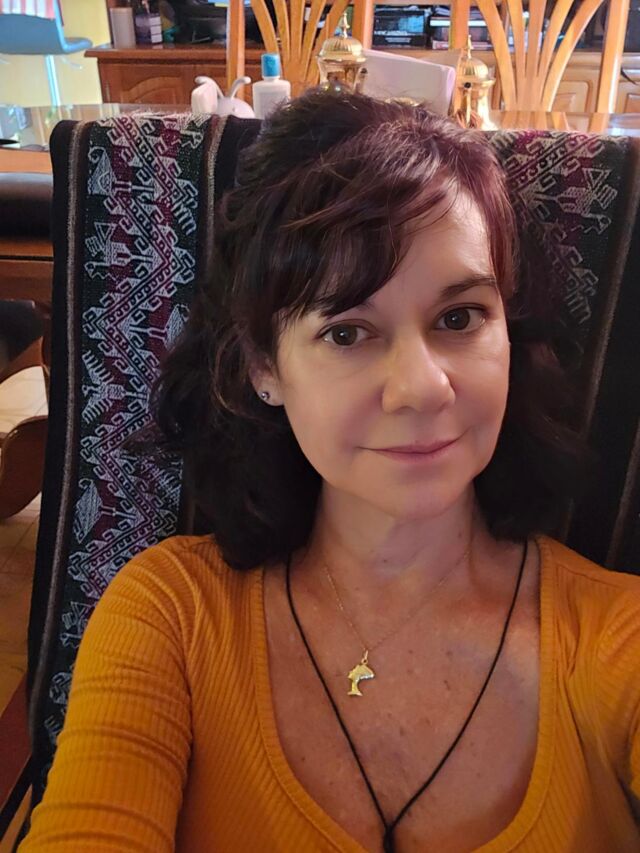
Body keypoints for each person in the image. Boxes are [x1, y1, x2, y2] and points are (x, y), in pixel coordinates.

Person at [19, 90, 640, 852]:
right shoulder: (169, 618)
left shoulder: (616, 636)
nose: (422, 388)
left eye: (459, 317)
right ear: (263, 367)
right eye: (348, 332)